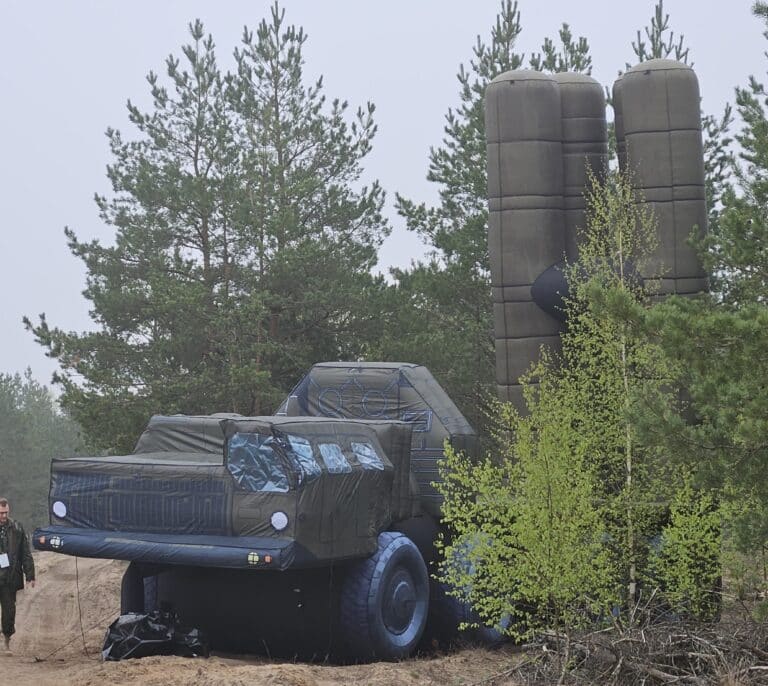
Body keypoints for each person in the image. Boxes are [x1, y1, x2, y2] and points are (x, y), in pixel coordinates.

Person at [0, 497, 35, 651]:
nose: (3, 516)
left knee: (9, 611)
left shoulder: (17, 528)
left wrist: (30, 575)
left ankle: (7, 640)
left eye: (5, 512)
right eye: (1, 513)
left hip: (9, 576)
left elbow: (25, 553)